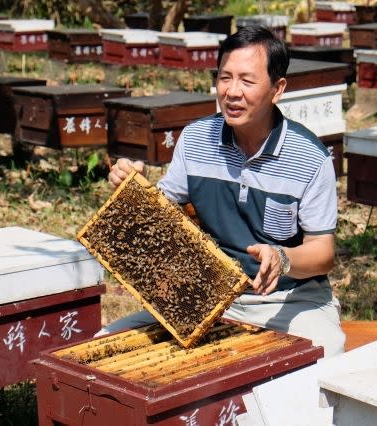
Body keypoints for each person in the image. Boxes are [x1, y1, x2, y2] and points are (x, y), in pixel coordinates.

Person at [104, 25, 345, 357]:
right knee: (105, 341)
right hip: (206, 295)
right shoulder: (195, 139)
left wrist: (282, 258)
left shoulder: (310, 158)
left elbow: (323, 252)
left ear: (277, 89)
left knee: (328, 350)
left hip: (288, 299)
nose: (232, 91)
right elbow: (162, 218)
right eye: (224, 78)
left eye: (247, 81)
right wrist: (133, 188)